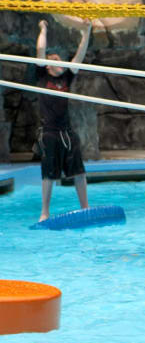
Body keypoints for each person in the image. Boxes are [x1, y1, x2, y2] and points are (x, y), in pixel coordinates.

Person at [35, 18, 92, 222]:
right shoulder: (43, 77)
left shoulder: (66, 78)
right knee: (48, 175)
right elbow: (40, 51)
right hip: (49, 132)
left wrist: (87, 31)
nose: (61, 62)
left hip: (67, 131)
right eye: (57, 60)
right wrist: (43, 29)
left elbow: (79, 56)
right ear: (49, 66)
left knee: (79, 171)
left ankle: (85, 208)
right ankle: (45, 212)